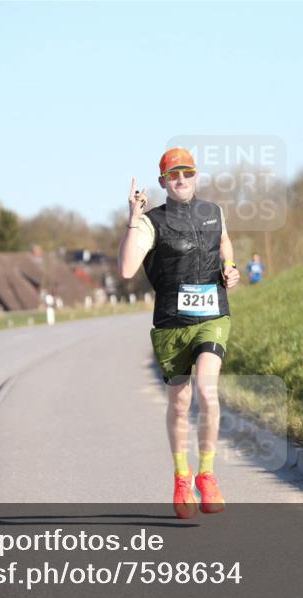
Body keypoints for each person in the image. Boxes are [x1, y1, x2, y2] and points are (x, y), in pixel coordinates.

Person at [118, 147, 240, 519]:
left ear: (196, 176)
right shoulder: (151, 221)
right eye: (174, 175)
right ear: (163, 182)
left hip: (212, 317)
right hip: (172, 324)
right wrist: (133, 219)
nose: (182, 180)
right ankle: (182, 478)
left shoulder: (213, 212)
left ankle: (207, 475)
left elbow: (224, 244)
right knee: (180, 403)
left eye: (187, 173)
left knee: (207, 388)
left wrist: (230, 268)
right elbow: (126, 269)